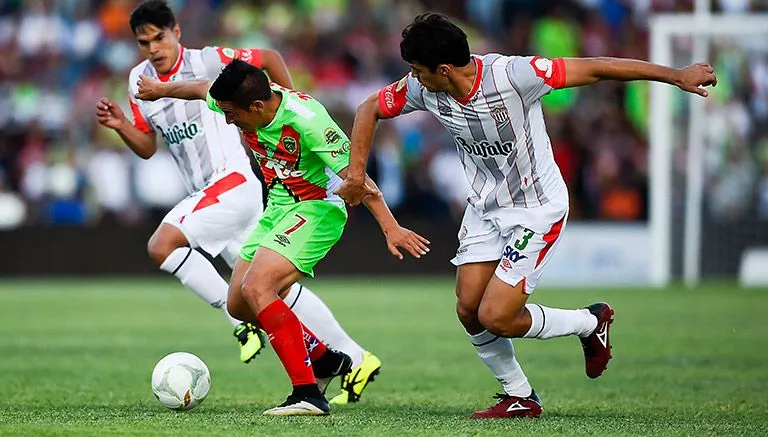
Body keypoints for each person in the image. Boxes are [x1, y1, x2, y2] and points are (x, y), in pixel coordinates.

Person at [335, 13, 718, 418]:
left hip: (537, 208)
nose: (412, 78)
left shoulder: (514, 75)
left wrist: (674, 74)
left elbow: (596, 67)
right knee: (468, 309)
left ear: (443, 69)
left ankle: (589, 323)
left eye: (417, 70)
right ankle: (519, 395)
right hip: (485, 208)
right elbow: (369, 108)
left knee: (495, 316)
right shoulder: (423, 88)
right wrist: (357, 174)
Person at [95, 0, 384, 406]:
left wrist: (292, 102)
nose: (153, 48)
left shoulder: (210, 60)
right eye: (144, 43)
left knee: (163, 245)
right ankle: (347, 357)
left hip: (232, 182)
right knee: (267, 292)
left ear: (176, 32)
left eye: (159, 37)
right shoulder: (137, 82)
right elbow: (146, 147)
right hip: (209, 197)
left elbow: (267, 58)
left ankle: (242, 327)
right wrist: (122, 125)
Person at [134, 59, 430, 415]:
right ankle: (323, 360)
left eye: (231, 114)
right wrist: (159, 90)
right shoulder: (236, 99)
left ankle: (307, 394)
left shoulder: (307, 120)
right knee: (238, 304)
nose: (228, 120)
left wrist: (390, 226)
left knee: (259, 288)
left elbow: (356, 179)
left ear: (257, 107)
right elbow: (200, 88)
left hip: (316, 210)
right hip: (276, 209)